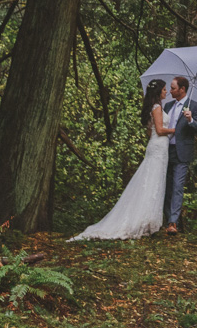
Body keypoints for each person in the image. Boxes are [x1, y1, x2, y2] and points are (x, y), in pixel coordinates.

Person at [69, 79, 173, 240]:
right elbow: (159, 130)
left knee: (151, 181)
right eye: (165, 89)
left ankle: (146, 221)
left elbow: (150, 131)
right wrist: (175, 129)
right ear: (158, 91)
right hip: (159, 147)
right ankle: (144, 221)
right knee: (153, 181)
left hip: (155, 146)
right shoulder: (157, 107)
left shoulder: (152, 108)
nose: (166, 92)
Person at [162, 76, 197, 233]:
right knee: (166, 188)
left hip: (182, 153)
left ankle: (173, 222)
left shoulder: (194, 106)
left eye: (173, 88)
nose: (170, 90)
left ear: (182, 89)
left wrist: (191, 120)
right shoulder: (167, 106)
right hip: (165, 151)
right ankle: (168, 220)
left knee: (178, 187)